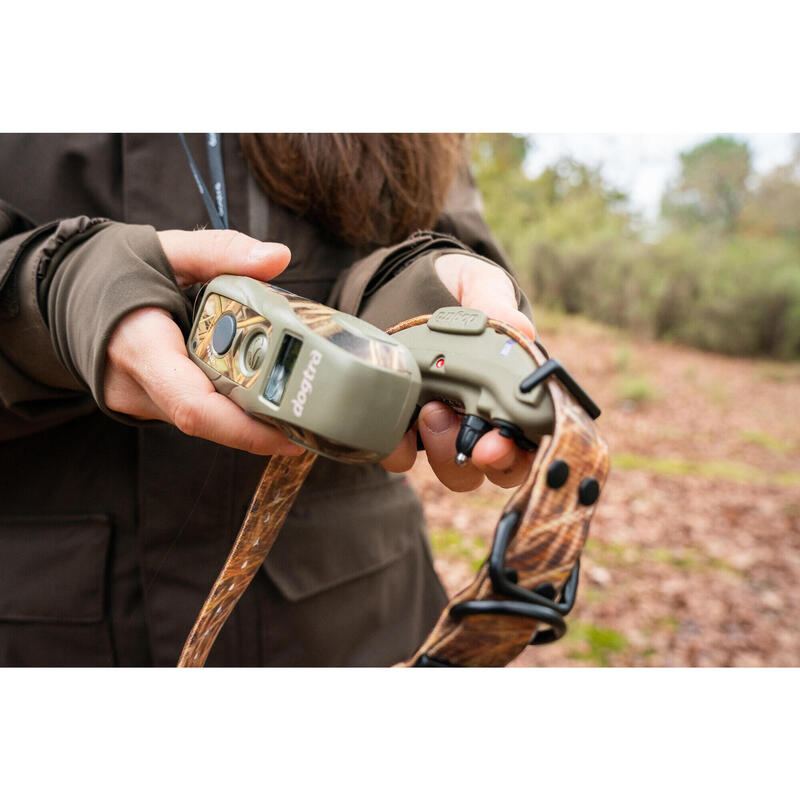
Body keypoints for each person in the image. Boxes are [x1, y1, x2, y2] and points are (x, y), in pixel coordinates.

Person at [0, 133, 536, 666]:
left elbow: (443, 242)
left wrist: (419, 303)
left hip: (352, 618)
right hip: (54, 627)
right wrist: (65, 292)